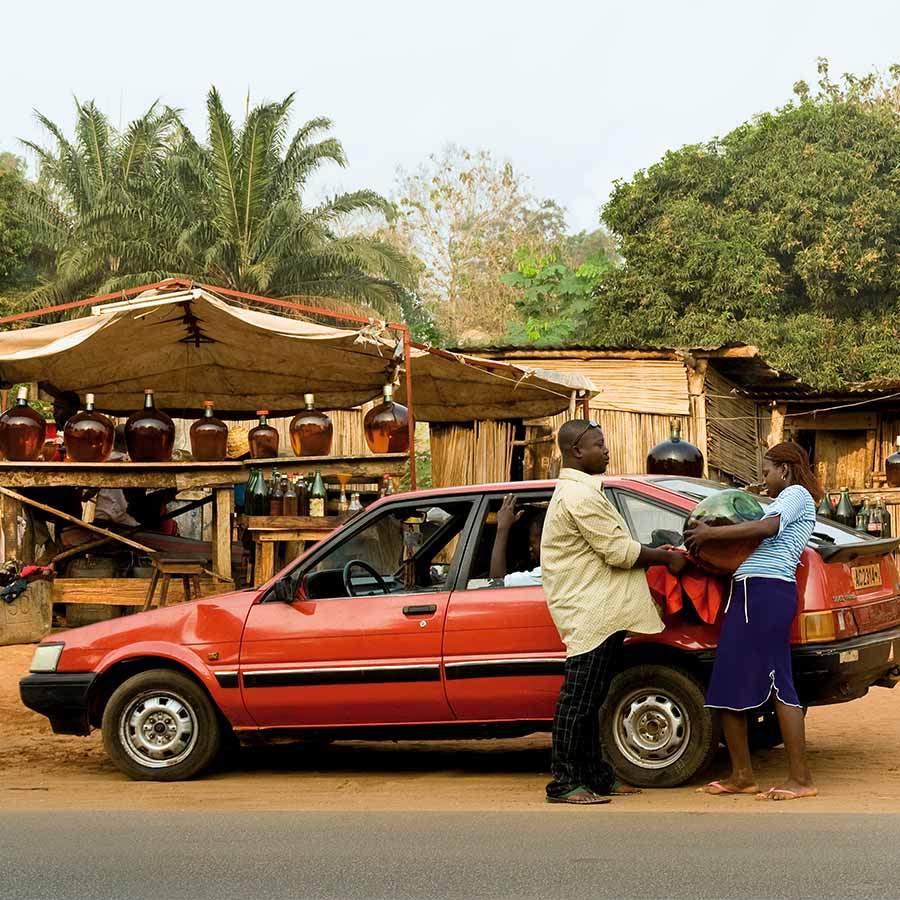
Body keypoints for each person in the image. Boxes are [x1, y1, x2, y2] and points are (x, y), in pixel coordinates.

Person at [541, 419, 688, 805]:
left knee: (592, 699)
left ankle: (596, 777)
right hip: (589, 612)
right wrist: (665, 558)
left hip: (601, 610)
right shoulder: (580, 497)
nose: (606, 451)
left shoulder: (586, 492)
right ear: (576, 452)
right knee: (579, 700)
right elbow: (619, 552)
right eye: (598, 445)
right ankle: (564, 782)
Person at [684, 441, 820, 801]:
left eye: (766, 471)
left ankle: (801, 779)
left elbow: (769, 529)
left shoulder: (795, 494)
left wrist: (710, 534)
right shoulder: (780, 499)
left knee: (779, 683)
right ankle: (742, 775)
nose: (763, 479)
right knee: (727, 683)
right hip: (748, 595)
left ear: (785, 470)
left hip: (767, 592)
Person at [489, 494, 544, 586]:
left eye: (533, 542)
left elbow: (496, 583)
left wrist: (503, 527)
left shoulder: (545, 574)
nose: (530, 549)